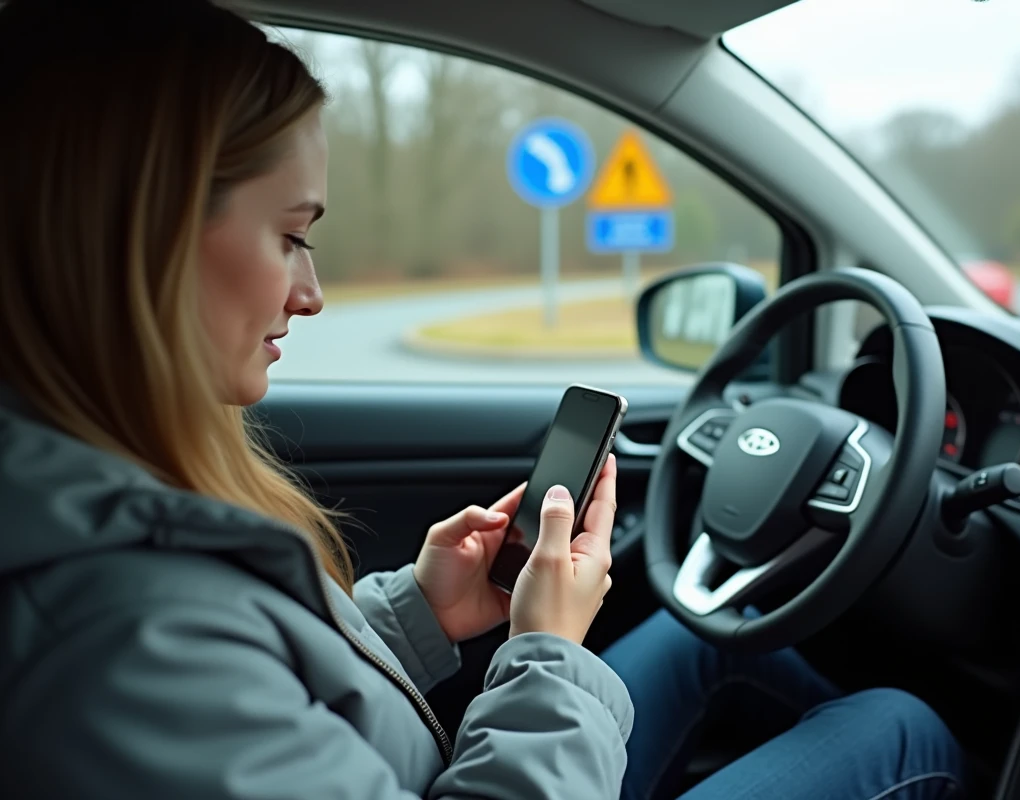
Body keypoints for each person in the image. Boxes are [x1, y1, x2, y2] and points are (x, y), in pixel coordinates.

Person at [0, 1, 964, 798]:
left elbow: (263, 684)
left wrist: (416, 613)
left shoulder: (110, 508)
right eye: (292, 235)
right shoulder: (117, 640)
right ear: (147, 240)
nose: (311, 291)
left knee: (696, 637)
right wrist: (544, 650)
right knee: (901, 729)